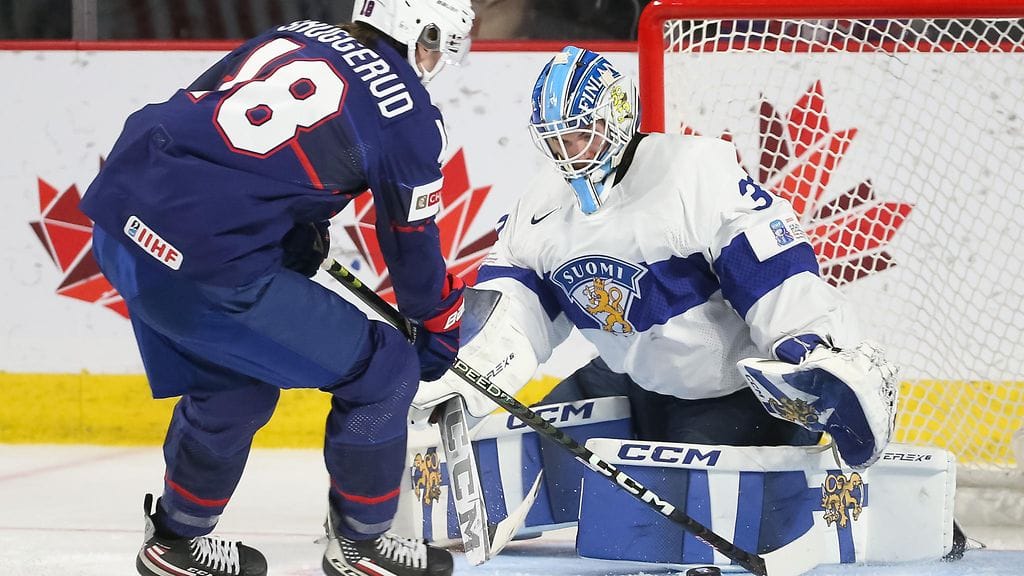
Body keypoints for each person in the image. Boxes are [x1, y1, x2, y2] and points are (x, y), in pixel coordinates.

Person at [78, 2, 474, 576]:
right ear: (422, 34)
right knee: (386, 370)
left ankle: (175, 540)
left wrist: (288, 226)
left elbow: (203, 117)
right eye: (441, 44)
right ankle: (363, 545)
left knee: (232, 386)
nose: (438, 59)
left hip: (121, 222)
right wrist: (437, 321)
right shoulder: (406, 111)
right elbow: (410, 239)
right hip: (206, 266)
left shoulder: (298, 33)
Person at [415, 45, 898, 471]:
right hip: (630, 380)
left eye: (581, 134)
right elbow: (514, 309)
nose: (570, 153)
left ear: (618, 116)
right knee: (523, 459)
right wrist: (467, 369)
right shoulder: (540, 205)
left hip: (729, 395)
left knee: (671, 517)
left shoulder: (693, 172)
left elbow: (774, 270)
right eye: (556, 140)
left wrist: (810, 348)